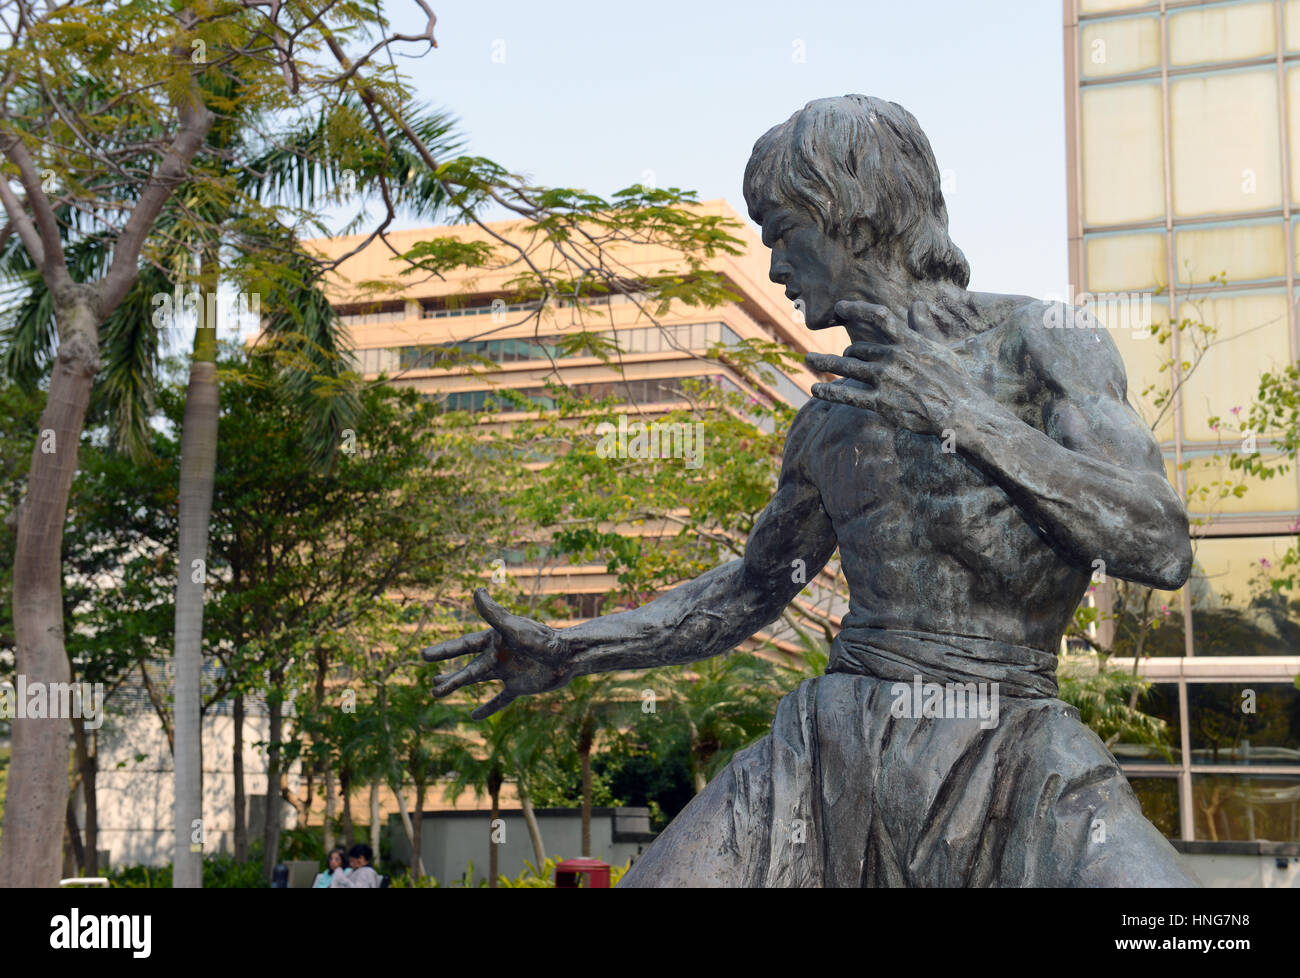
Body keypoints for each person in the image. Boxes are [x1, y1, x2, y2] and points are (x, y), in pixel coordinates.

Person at [421, 95, 1200, 888]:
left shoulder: (1041, 340)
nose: (775, 269)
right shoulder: (827, 423)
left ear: (851, 215)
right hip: (830, 746)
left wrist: (960, 413)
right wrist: (574, 649)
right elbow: (752, 588)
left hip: (1015, 743)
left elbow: (1158, 542)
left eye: (785, 235)